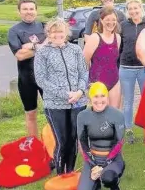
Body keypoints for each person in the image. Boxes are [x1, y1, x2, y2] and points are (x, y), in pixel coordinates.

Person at [34, 18, 89, 175]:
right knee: (62, 142)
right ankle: (60, 175)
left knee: (73, 140)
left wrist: (79, 91)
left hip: (78, 102)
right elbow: (41, 79)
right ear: (49, 34)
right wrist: (64, 94)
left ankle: (70, 172)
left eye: (61, 31)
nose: (58, 34)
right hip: (55, 104)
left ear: (66, 33)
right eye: (54, 31)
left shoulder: (75, 49)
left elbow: (83, 72)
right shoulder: (42, 53)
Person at [7, 0, 48, 137]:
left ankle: (55, 146)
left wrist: (31, 46)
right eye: (25, 9)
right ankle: (34, 147)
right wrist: (41, 46)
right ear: (19, 12)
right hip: (26, 80)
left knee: (52, 113)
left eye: (31, 9)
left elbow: (54, 45)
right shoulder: (14, 31)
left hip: (47, 78)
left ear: (36, 11)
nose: (28, 12)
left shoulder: (44, 26)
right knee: (31, 115)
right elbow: (20, 55)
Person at [77, 82, 126, 190]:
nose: (99, 101)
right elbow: (83, 143)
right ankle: (95, 185)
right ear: (90, 98)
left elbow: (119, 142)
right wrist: (93, 165)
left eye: (103, 96)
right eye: (96, 96)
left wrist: (103, 166)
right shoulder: (82, 116)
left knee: (108, 178)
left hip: (113, 159)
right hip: (92, 160)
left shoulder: (117, 115)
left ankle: (114, 185)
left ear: (107, 97)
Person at [119, 0, 145, 144]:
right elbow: (118, 46)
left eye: (136, 8)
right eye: (130, 9)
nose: (133, 11)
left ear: (141, 8)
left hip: (144, 68)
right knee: (128, 101)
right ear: (127, 11)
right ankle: (129, 129)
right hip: (126, 67)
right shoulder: (123, 25)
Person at [83, 6, 122, 109]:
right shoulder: (94, 38)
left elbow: (114, 60)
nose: (111, 22)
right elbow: (84, 62)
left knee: (114, 112)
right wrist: (89, 82)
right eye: (107, 20)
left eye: (113, 20)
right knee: (100, 113)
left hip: (114, 80)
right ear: (101, 20)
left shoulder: (117, 37)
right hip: (97, 81)